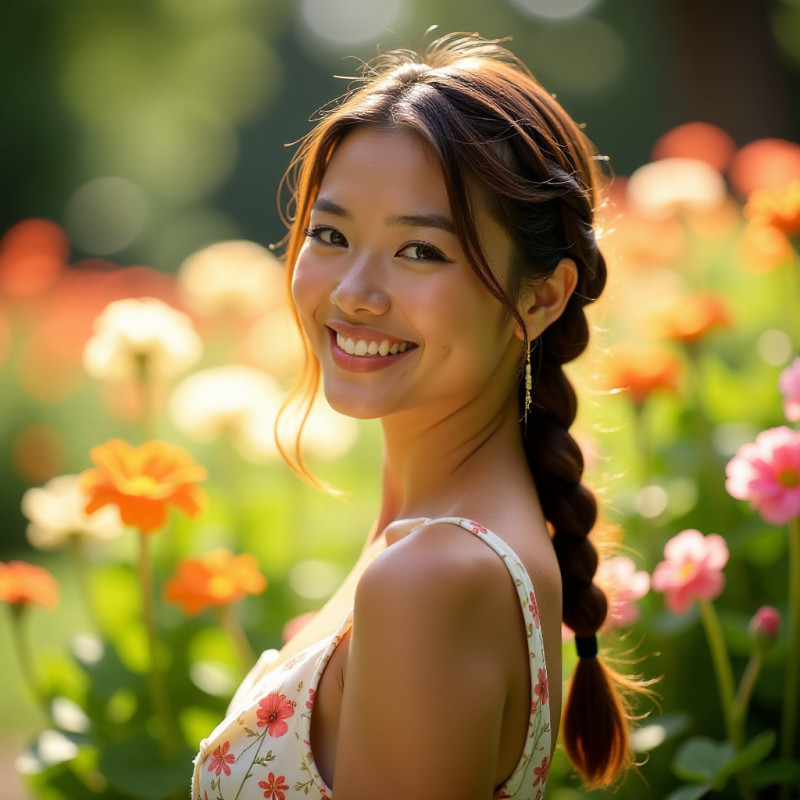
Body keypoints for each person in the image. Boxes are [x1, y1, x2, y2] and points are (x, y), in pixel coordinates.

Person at [192, 31, 643, 800]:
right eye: (331, 236)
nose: (355, 293)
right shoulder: (446, 542)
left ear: (541, 298)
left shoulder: (431, 577)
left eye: (420, 252)